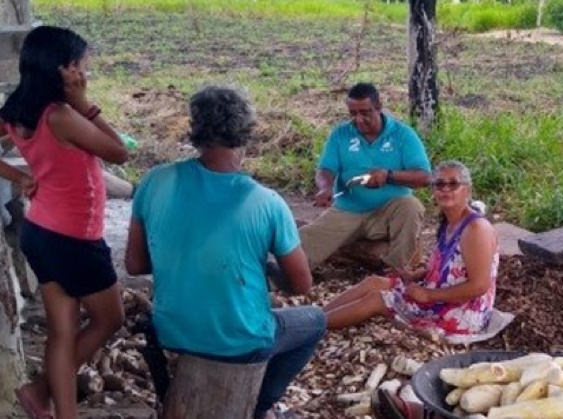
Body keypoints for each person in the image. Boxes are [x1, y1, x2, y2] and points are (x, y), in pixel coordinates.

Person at [125, 86, 325, 419]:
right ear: (246, 134)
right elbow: (302, 285)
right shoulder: (267, 203)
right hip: (238, 343)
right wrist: (268, 272)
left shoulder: (155, 181)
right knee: (315, 321)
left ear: (195, 130)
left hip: (171, 330)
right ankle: (258, 408)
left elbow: (135, 263)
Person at [0, 26, 129, 419]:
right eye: (80, 63)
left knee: (62, 332)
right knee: (110, 318)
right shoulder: (62, 115)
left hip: (41, 231)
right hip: (73, 237)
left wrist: (17, 177)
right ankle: (42, 393)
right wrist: (85, 103)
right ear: (63, 68)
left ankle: (48, 401)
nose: (84, 70)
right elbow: (120, 153)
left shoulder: (17, 110)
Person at [324, 161, 498, 338]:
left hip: (460, 312)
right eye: (439, 184)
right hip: (440, 295)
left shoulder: (475, 229)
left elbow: (479, 286)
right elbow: (452, 268)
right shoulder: (451, 222)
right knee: (374, 282)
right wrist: (417, 276)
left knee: (378, 299)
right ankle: (315, 316)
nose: (446, 189)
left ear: (467, 190)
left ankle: (311, 327)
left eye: (453, 184)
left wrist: (429, 295)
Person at [300, 82, 431, 270]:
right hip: (347, 211)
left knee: (411, 206)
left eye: (365, 113)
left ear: (379, 108)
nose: (359, 120)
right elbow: (326, 169)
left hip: (387, 215)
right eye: (353, 114)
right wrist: (325, 187)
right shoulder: (341, 134)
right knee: (302, 242)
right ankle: (273, 281)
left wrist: (388, 176)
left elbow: (425, 177)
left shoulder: (403, 135)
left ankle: (398, 273)